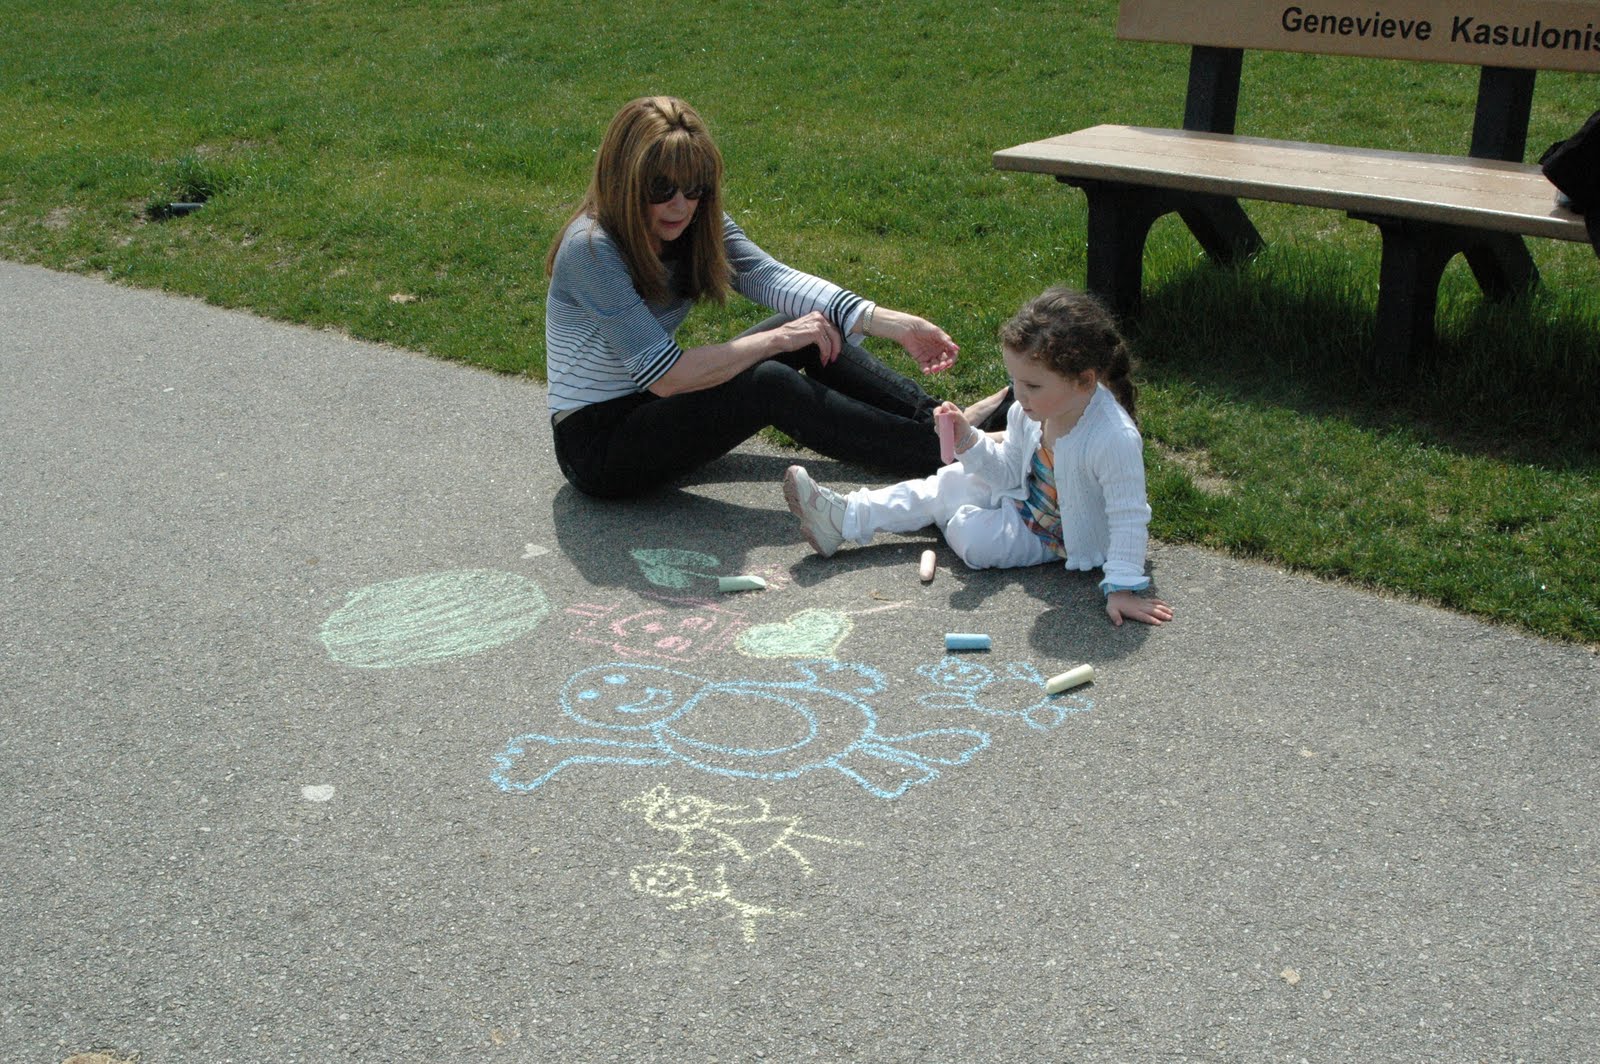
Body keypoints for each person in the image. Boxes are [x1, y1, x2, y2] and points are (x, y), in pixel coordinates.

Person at [544, 95, 1004, 499]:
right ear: (623, 180)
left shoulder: (695, 227)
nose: (680, 205)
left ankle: (946, 422)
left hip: (650, 406)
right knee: (769, 381)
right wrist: (776, 341)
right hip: (597, 448)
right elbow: (667, 376)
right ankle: (948, 451)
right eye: (661, 188)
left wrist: (892, 323)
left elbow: (772, 278)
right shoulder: (591, 248)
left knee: (813, 326)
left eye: (694, 187)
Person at [784, 286, 1174, 627]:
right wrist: (968, 439)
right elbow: (1007, 472)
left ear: (1084, 381)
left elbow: (1128, 516)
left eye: (1032, 385)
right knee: (950, 481)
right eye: (1014, 381)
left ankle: (940, 517)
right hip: (1020, 496)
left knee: (972, 537)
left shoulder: (1112, 438)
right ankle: (845, 517)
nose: (1018, 395)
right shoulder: (1030, 412)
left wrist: (1121, 588)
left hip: (1053, 536)